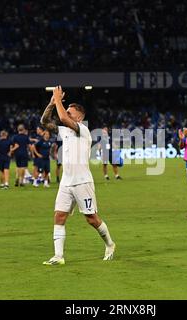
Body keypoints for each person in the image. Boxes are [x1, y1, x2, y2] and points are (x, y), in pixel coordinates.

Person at [41, 86, 115, 265]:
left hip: (82, 182)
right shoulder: (64, 130)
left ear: (79, 116)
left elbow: (63, 118)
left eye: (70, 111)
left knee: (91, 219)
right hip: (66, 182)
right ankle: (58, 256)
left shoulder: (82, 130)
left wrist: (58, 99)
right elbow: (44, 121)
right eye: (66, 110)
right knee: (59, 216)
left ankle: (110, 244)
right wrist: (52, 103)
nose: (66, 113)